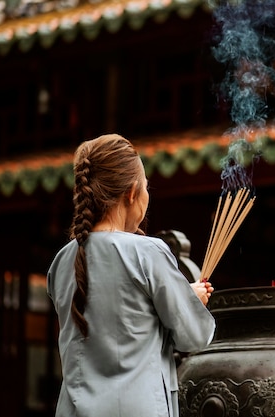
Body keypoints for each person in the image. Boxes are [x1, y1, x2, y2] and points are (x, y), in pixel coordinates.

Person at [47, 134, 216, 417]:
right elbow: (193, 336)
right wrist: (191, 300)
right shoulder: (148, 252)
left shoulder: (61, 261)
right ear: (132, 192)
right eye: (147, 187)